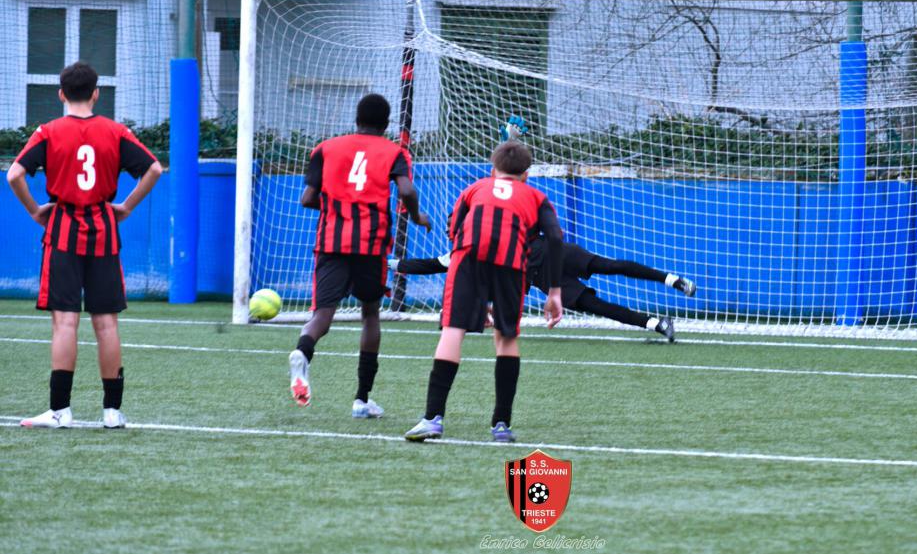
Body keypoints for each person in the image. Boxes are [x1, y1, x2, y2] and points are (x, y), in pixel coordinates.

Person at [7, 62, 162, 429]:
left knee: (65, 322)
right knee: (106, 323)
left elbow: (14, 174)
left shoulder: (48, 132)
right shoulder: (116, 132)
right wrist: (126, 206)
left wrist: (35, 211)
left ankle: (60, 411)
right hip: (103, 229)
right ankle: (112, 412)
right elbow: (154, 168)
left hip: (63, 228)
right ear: (96, 93)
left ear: (61, 94)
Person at [404, 141, 564, 443]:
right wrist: (554, 291)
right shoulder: (536, 196)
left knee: (452, 331)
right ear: (526, 175)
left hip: (467, 260)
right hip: (511, 264)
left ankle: (432, 419)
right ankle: (501, 424)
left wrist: (476, 296)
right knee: (506, 338)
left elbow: (456, 231)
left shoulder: (474, 188)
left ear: (493, 171)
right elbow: (555, 237)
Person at [288, 93, 431, 416]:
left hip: (330, 243)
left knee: (321, 316)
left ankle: (302, 352)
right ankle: (362, 399)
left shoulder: (325, 148)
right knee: (370, 314)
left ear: (356, 119)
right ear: (386, 123)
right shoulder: (395, 152)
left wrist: (337, 208)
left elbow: (307, 199)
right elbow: (406, 190)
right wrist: (417, 216)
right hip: (371, 244)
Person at [392, 237, 696, 342]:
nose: (453, 230)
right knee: (596, 306)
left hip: (553, 253)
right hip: (543, 278)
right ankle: (657, 324)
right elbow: (431, 264)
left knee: (609, 265)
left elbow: (503, 178)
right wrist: (393, 264)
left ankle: (672, 279)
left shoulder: (494, 220)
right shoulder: (463, 252)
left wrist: (509, 141)